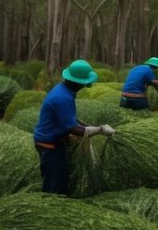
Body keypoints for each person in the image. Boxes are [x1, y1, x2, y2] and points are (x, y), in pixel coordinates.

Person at [33, 59, 115, 195]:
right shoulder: (62, 97)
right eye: (84, 83)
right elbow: (72, 129)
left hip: (54, 141)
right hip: (48, 144)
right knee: (55, 185)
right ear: (77, 82)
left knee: (61, 177)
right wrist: (100, 130)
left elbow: (70, 119)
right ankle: (51, 207)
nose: (85, 86)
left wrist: (90, 126)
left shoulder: (65, 90)